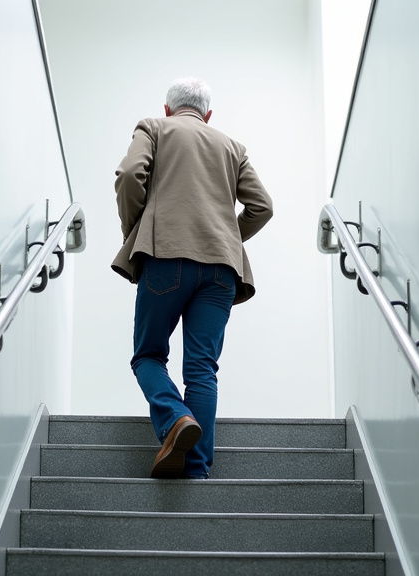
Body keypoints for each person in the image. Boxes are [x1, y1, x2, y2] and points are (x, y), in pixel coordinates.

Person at [111, 77, 273, 479]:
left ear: (168, 109)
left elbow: (131, 175)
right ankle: (196, 469)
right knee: (202, 369)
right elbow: (262, 207)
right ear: (208, 115)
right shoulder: (232, 147)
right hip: (221, 270)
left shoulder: (154, 127)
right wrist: (226, 237)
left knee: (148, 355)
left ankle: (174, 420)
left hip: (165, 256)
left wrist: (139, 230)